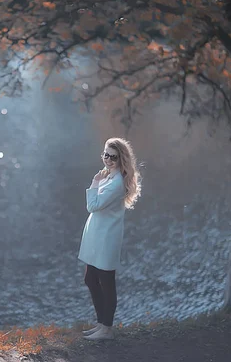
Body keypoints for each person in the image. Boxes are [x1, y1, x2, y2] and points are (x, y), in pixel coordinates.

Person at [78, 137, 141, 341]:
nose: (108, 159)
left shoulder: (116, 183)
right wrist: (98, 181)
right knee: (90, 279)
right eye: (105, 154)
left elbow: (93, 206)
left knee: (106, 281)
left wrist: (94, 184)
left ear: (121, 159)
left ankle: (107, 328)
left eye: (113, 157)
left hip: (106, 237)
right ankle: (101, 324)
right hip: (97, 234)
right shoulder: (108, 176)